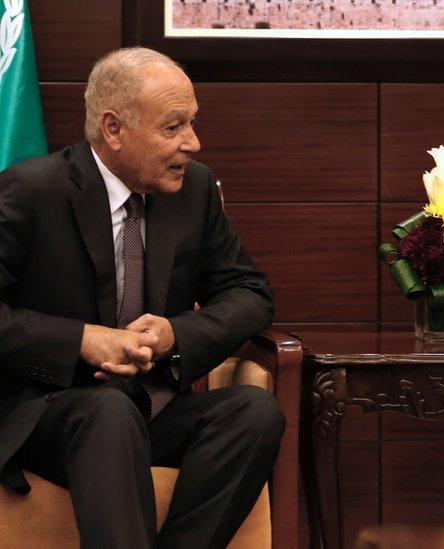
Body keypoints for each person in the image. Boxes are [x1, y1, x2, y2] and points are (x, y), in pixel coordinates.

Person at [0, 47, 283, 548]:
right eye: (173, 128)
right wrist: (81, 340)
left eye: (192, 124)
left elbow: (249, 291)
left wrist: (177, 333)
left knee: (254, 412)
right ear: (113, 129)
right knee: (107, 411)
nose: (192, 143)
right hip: (53, 413)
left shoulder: (193, 190)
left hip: (153, 407)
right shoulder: (29, 192)